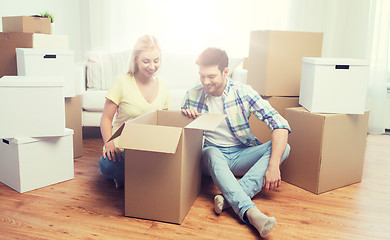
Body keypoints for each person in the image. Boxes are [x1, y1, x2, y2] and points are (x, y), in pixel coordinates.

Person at [181, 47, 290, 238]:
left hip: (241, 154)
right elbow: (182, 140)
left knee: (283, 148)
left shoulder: (243, 92)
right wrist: (186, 120)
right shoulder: (192, 95)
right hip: (211, 155)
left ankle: (228, 198)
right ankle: (251, 213)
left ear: (225, 72)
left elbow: (280, 124)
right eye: (202, 76)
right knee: (211, 153)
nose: (206, 82)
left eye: (211, 76)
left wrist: (273, 165)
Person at [99, 35, 171, 189]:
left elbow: (164, 122)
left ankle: (136, 178)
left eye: (156, 60)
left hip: (149, 149)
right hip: (122, 150)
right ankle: (142, 177)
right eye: (146, 61)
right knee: (108, 166)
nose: (152, 66)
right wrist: (110, 144)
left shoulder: (164, 85)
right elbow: (106, 118)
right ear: (136, 59)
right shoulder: (122, 82)